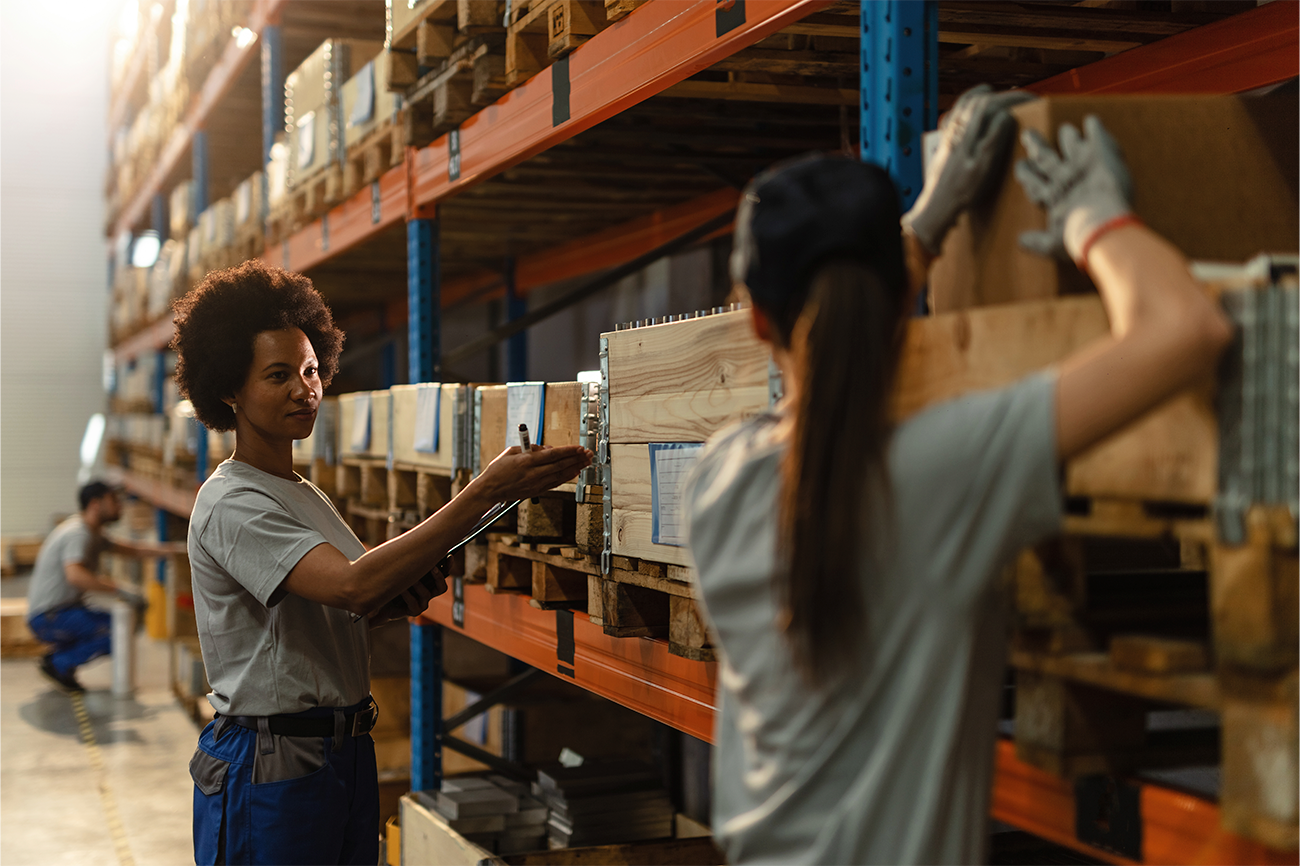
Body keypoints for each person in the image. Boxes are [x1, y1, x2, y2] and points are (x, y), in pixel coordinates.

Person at [684, 88, 1234, 864]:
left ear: (754, 320)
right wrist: (1093, 217)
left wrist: (926, 223)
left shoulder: (717, 484)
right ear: (897, 294)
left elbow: (839, 346)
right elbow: (1186, 326)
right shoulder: (942, 472)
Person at [170, 260, 591, 866]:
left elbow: (343, 605)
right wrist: (484, 489)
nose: (304, 389)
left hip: (340, 752)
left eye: (313, 371)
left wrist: (392, 601)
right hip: (274, 765)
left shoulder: (301, 493)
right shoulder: (231, 503)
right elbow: (351, 584)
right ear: (230, 389)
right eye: (279, 375)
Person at [26, 480, 181, 692]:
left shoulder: (92, 533)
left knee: (116, 625)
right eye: (114, 501)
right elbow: (75, 575)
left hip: (61, 612)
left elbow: (132, 550)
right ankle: (59, 663)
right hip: (49, 617)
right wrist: (119, 590)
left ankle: (59, 659)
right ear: (95, 504)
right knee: (116, 630)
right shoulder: (78, 534)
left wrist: (172, 551)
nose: (120, 506)